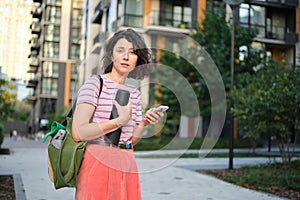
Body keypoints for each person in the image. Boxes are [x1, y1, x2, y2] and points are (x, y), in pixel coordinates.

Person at [72, 28, 164, 200]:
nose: (126, 57)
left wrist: (144, 123)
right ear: (111, 54)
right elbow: (79, 132)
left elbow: (130, 140)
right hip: (98, 159)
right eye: (120, 50)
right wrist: (119, 121)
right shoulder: (95, 84)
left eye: (133, 52)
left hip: (126, 161)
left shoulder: (134, 93)